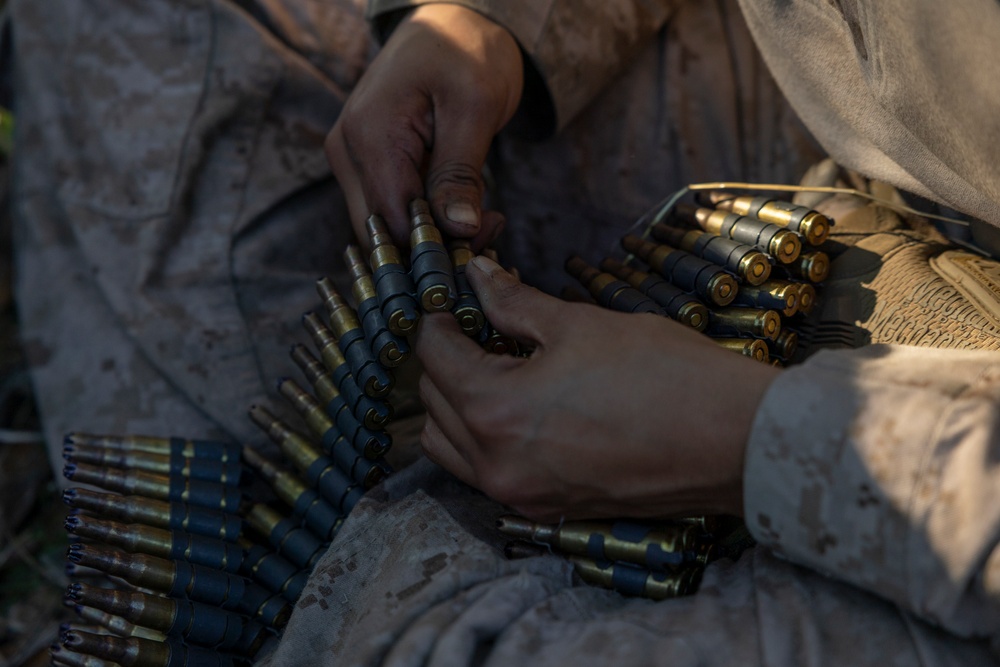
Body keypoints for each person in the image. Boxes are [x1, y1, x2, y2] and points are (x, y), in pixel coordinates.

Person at [7, 0, 1000, 664]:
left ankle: (312, 586)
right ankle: (288, 563)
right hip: (860, 174)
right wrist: (498, 20)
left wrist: (751, 440)